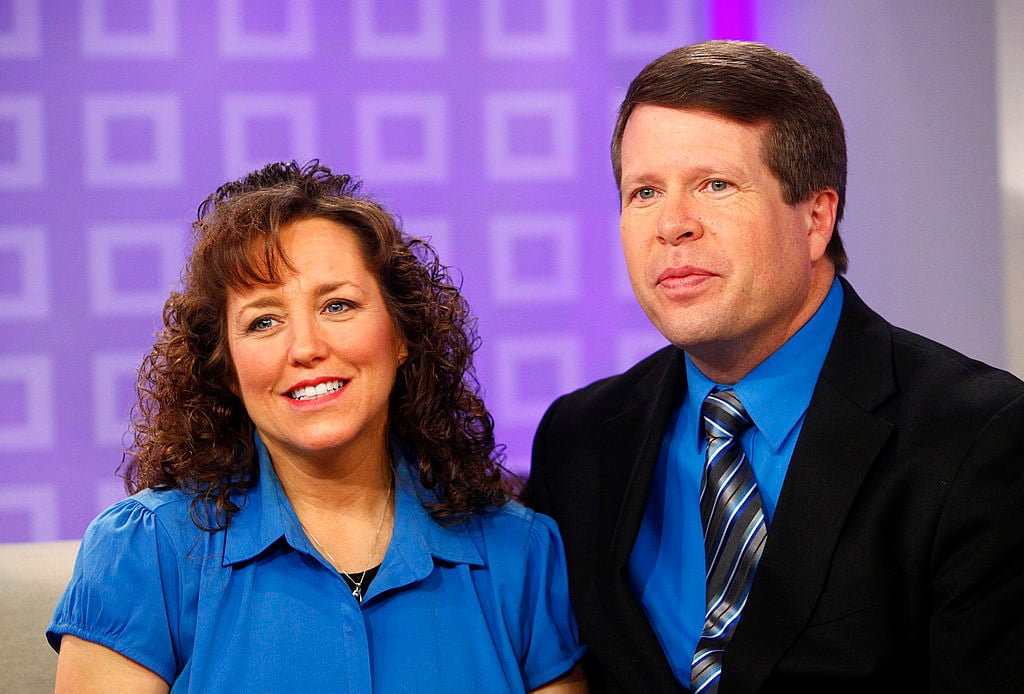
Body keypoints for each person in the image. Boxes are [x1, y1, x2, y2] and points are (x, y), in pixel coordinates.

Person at [526, 40, 1024, 693]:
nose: (673, 225)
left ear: (817, 218)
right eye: (644, 191)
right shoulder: (578, 438)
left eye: (715, 185)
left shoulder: (979, 438)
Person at [48, 161, 588, 693]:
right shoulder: (147, 551)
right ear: (228, 369)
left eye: (337, 305)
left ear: (402, 336)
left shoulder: (519, 551)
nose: (306, 347)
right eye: (264, 320)